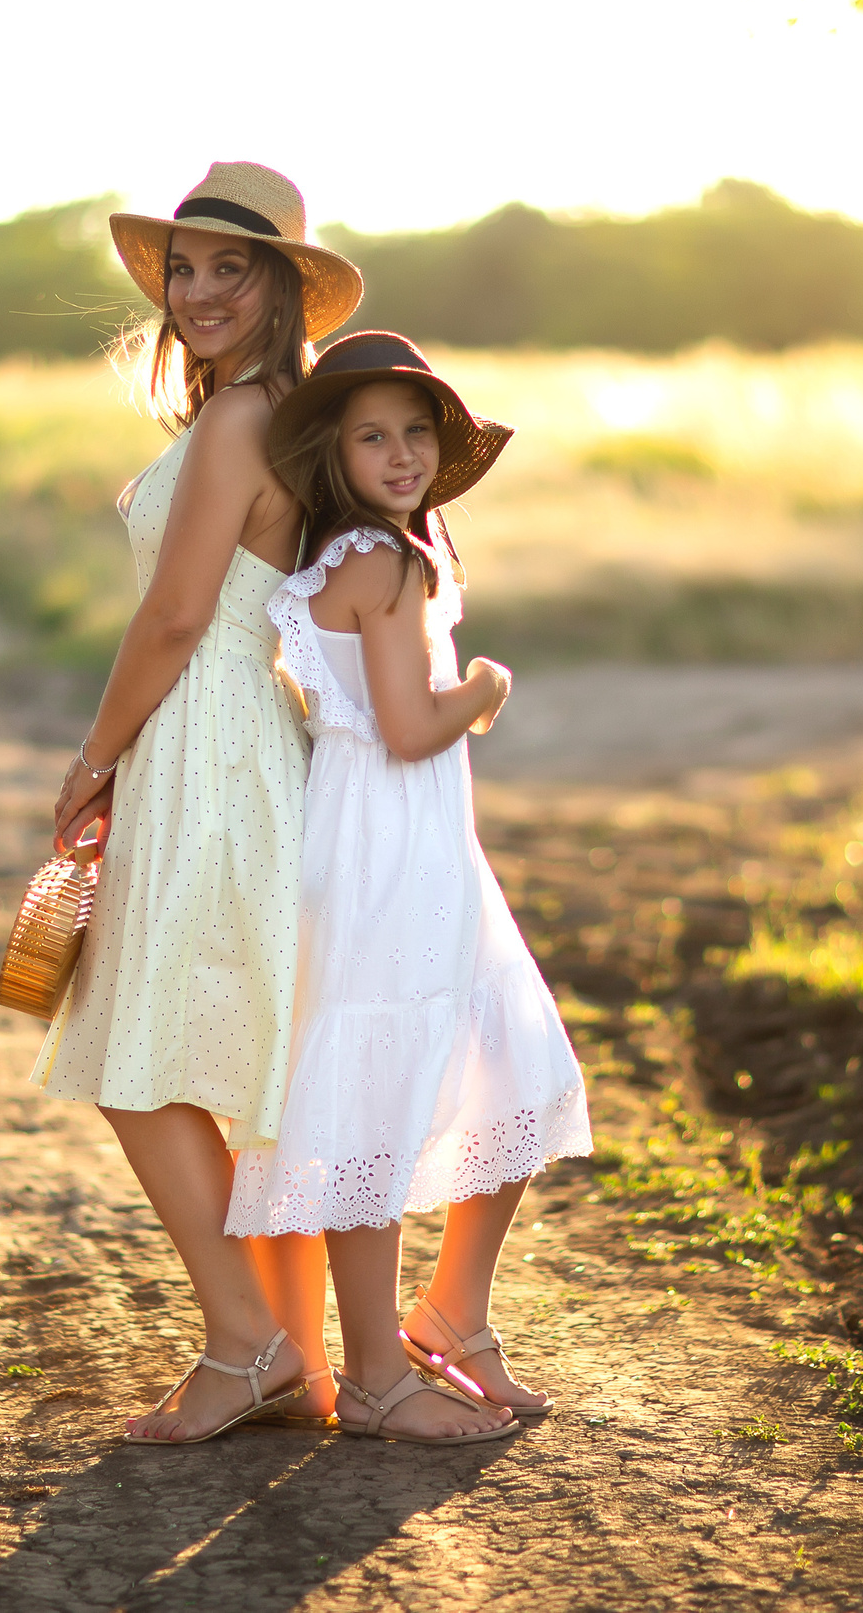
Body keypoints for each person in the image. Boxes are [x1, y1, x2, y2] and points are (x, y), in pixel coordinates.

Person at [34, 163, 360, 1444]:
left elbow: (175, 618)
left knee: (138, 1042)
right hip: (225, 731)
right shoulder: (258, 412)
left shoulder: (240, 423)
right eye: (185, 268)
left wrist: (91, 757)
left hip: (205, 729)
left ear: (281, 287)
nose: (201, 290)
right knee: (201, 1036)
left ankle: (250, 1344)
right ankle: (288, 1352)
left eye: (233, 268)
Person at [225, 332, 593, 1443]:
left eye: (415, 433)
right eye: (371, 436)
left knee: (514, 1063)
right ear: (333, 454)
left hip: (386, 842)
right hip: (395, 849)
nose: (398, 454)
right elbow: (404, 725)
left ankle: (453, 1319)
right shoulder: (388, 563)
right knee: (389, 1097)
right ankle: (387, 1370)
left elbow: (334, 707)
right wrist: (482, 686)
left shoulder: (342, 562)